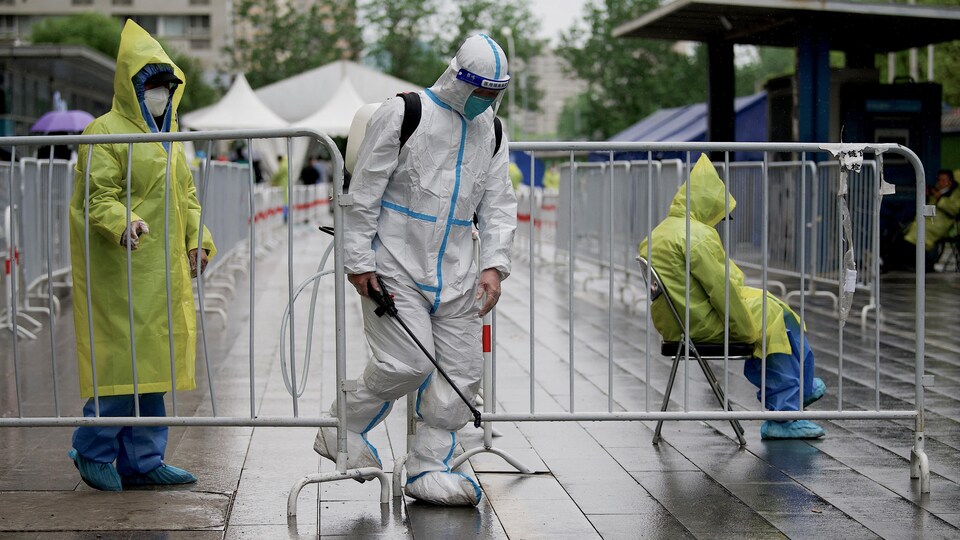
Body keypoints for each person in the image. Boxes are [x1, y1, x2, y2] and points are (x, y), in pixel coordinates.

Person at [313, 34, 517, 506]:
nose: (487, 99)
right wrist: (359, 263)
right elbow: (364, 193)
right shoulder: (405, 113)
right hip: (394, 268)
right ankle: (342, 426)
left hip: (460, 274)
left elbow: (499, 204)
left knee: (460, 375)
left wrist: (494, 266)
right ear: (459, 79)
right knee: (408, 362)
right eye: (481, 89)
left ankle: (428, 467)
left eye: (496, 91)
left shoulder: (494, 131)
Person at [66, 20, 216, 492]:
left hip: (162, 272)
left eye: (167, 85)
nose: (161, 92)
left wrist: (199, 241)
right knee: (119, 368)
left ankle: (144, 460)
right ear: (131, 85)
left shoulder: (171, 138)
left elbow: (186, 198)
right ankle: (92, 451)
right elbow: (98, 195)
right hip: (120, 267)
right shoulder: (103, 131)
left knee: (153, 369)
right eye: (152, 84)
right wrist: (123, 221)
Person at [639, 154, 826, 440]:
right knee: (775, 319)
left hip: (679, 322)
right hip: (700, 325)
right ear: (709, 206)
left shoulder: (661, 231)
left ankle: (799, 389)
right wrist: (745, 330)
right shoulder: (697, 236)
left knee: (775, 309)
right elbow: (722, 289)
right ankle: (784, 413)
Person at [903, 169, 960, 271]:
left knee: (917, 236)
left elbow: (954, 209)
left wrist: (940, 199)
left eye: (944, 180)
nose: (941, 183)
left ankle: (921, 264)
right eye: (939, 180)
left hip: (939, 223)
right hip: (928, 220)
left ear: (950, 182)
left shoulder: (955, 194)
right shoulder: (937, 191)